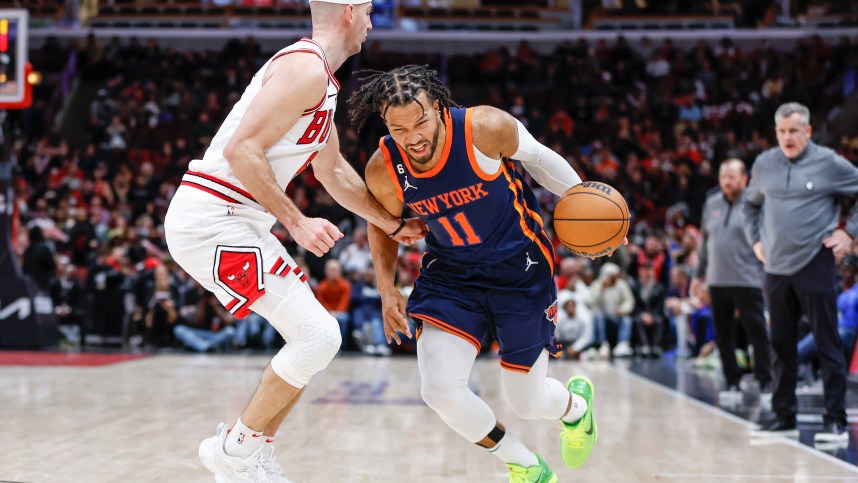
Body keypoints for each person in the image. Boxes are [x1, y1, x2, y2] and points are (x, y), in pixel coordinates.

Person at [163, 3, 426, 481]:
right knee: (319, 336)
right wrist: (297, 222)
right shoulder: (303, 67)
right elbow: (240, 150)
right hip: (212, 219)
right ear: (348, 12)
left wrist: (390, 223)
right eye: (368, 9)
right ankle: (235, 453)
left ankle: (247, 452)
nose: (372, 19)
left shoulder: (319, 77)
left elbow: (333, 172)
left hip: (233, 220)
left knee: (313, 339)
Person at [349, 64, 606, 482]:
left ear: (438, 106)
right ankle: (523, 463)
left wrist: (584, 201)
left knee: (526, 401)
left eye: (420, 121)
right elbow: (381, 223)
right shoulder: (383, 167)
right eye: (399, 129)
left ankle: (576, 409)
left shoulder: (483, 127)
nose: (412, 137)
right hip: (452, 274)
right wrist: (386, 286)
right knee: (438, 390)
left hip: (520, 269)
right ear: (385, 123)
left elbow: (539, 158)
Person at [744, 102, 858, 444]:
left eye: (794, 130)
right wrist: (755, 243)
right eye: (781, 131)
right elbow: (750, 205)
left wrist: (849, 233)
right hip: (775, 267)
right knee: (780, 345)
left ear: (807, 131)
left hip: (815, 262)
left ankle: (835, 420)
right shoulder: (764, 164)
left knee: (827, 343)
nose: (787, 137)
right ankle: (784, 416)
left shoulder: (829, 163)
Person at [694, 159, 771, 406]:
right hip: (717, 280)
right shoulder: (712, 203)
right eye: (723, 176)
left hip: (748, 279)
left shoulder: (755, 203)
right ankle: (731, 380)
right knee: (723, 334)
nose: (727, 181)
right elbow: (705, 243)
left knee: (756, 332)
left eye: (732, 177)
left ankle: (766, 380)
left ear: (744, 179)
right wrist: (699, 275)